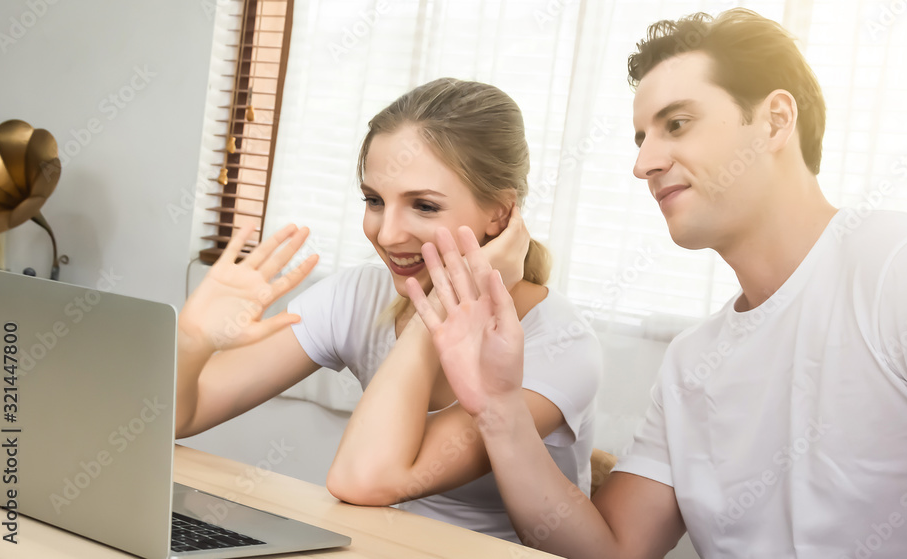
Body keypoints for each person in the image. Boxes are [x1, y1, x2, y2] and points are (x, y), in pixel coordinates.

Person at [405, 8, 907, 559]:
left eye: (677, 124)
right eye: (641, 138)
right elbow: (612, 549)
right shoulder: (694, 363)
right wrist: (500, 408)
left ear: (775, 120)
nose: (644, 164)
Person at [173, 77, 603, 543]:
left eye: (424, 206)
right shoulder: (359, 294)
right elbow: (176, 417)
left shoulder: (557, 343)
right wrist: (191, 342)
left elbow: (362, 480)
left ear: (499, 215)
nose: (387, 234)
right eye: (375, 200)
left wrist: (436, 309)